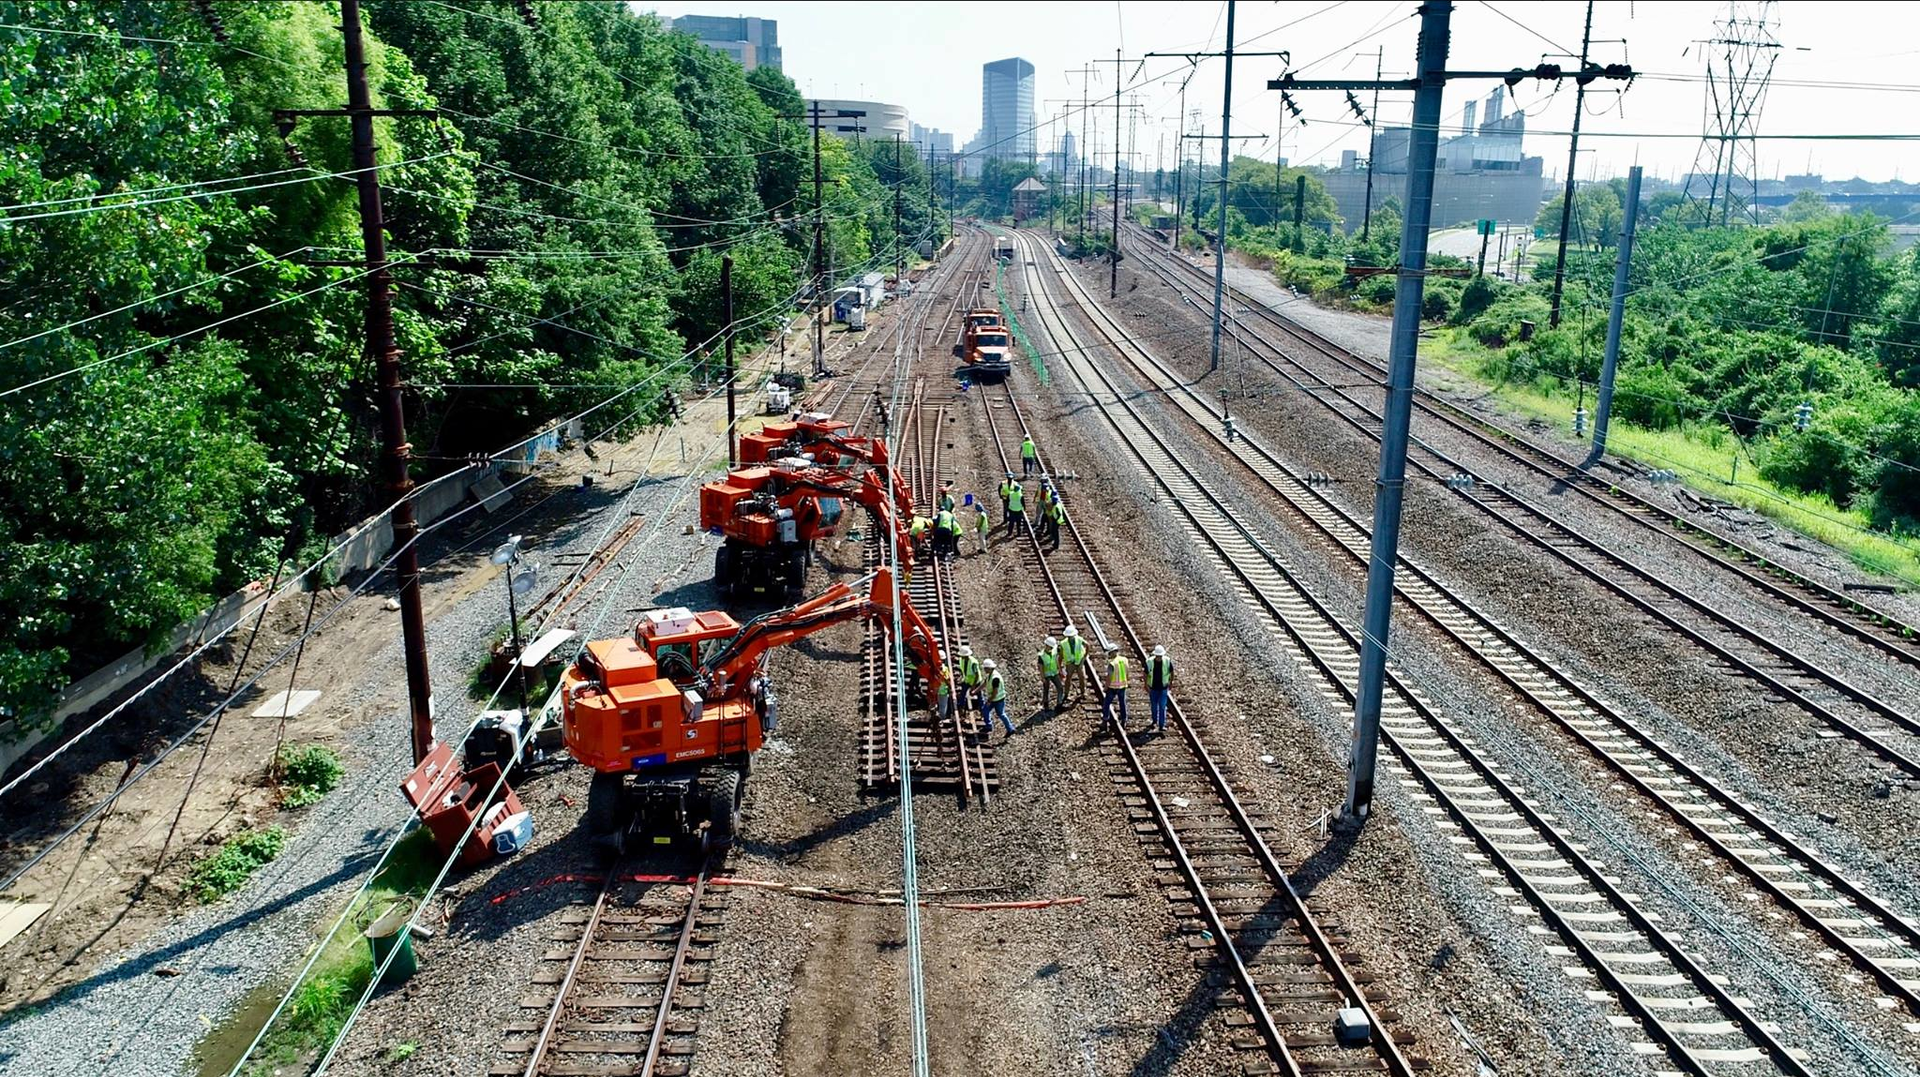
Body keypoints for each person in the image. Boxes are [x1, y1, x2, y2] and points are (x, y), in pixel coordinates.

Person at [980, 658, 1014, 735]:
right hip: (995, 698)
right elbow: (985, 683)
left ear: (989, 668)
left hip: (998, 699)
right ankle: (989, 726)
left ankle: (1010, 728)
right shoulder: (991, 675)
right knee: (986, 710)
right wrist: (975, 691)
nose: (984, 670)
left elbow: (995, 692)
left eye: (985, 668)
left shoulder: (995, 678)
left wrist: (989, 700)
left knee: (1000, 714)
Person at [1145, 644, 1173, 732]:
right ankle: (1154, 721)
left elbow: (1172, 672)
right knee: (1154, 706)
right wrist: (1145, 685)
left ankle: (1161, 725)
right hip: (1153, 688)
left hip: (1163, 688)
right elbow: (1145, 674)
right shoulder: (1149, 662)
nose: (1159, 658)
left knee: (1162, 706)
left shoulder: (1167, 661)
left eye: (1160, 656)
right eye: (1158, 656)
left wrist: (1170, 682)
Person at [1100, 644, 1129, 730]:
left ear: (1112, 652)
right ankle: (1124, 720)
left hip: (1112, 687)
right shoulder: (1124, 660)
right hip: (1122, 686)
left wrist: (1105, 687)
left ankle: (1105, 721)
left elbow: (1109, 677)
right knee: (1122, 703)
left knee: (1106, 703)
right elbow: (1127, 672)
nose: (1109, 655)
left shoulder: (1112, 663)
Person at [1059, 625, 1087, 701]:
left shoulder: (1079, 640)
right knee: (1068, 678)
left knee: (1082, 677)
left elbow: (1087, 645)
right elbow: (1061, 655)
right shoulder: (1063, 643)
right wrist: (1060, 666)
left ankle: (1083, 693)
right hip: (1070, 663)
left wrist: (1085, 656)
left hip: (1079, 661)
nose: (1070, 637)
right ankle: (1066, 694)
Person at [955, 644, 982, 711]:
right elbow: (963, 670)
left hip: (975, 682)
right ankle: (961, 707)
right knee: (962, 694)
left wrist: (973, 686)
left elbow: (977, 675)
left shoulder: (973, 663)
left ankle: (982, 709)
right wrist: (961, 677)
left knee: (979, 696)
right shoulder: (961, 660)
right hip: (967, 680)